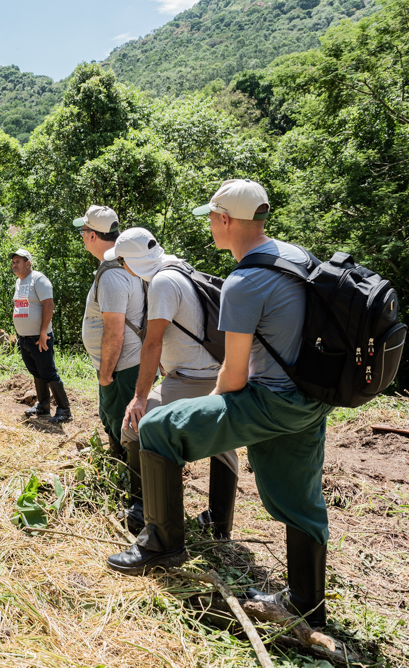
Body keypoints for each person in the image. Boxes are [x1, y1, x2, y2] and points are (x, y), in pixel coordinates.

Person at [106, 179, 334, 630]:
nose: (210, 226)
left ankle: (162, 543)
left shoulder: (244, 280)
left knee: (157, 428)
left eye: (211, 218)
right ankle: (307, 602)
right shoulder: (299, 257)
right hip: (312, 399)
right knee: (302, 499)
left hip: (269, 398)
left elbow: (233, 376)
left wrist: (198, 418)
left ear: (226, 220)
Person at [108, 227, 237, 539]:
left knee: (135, 424)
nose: (121, 267)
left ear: (132, 263)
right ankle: (220, 523)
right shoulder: (178, 267)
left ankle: (147, 511)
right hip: (211, 371)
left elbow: (152, 344)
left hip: (194, 378)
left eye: (122, 261)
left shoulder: (162, 283)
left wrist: (139, 398)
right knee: (224, 447)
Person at [76, 205, 145, 453]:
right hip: (123, 365)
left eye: (83, 231)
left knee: (122, 425)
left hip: (121, 368)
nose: (82, 236)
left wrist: (105, 376)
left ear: (92, 235)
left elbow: (115, 333)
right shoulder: (123, 262)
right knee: (119, 422)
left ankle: (131, 485)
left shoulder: (113, 274)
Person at [11, 248, 70, 423]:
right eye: (13, 262)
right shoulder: (19, 282)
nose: (14, 265)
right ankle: (43, 406)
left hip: (39, 337)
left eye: (18, 262)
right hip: (25, 338)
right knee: (37, 372)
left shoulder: (38, 279)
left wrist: (43, 332)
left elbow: (49, 305)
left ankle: (64, 410)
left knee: (48, 372)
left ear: (28, 263)